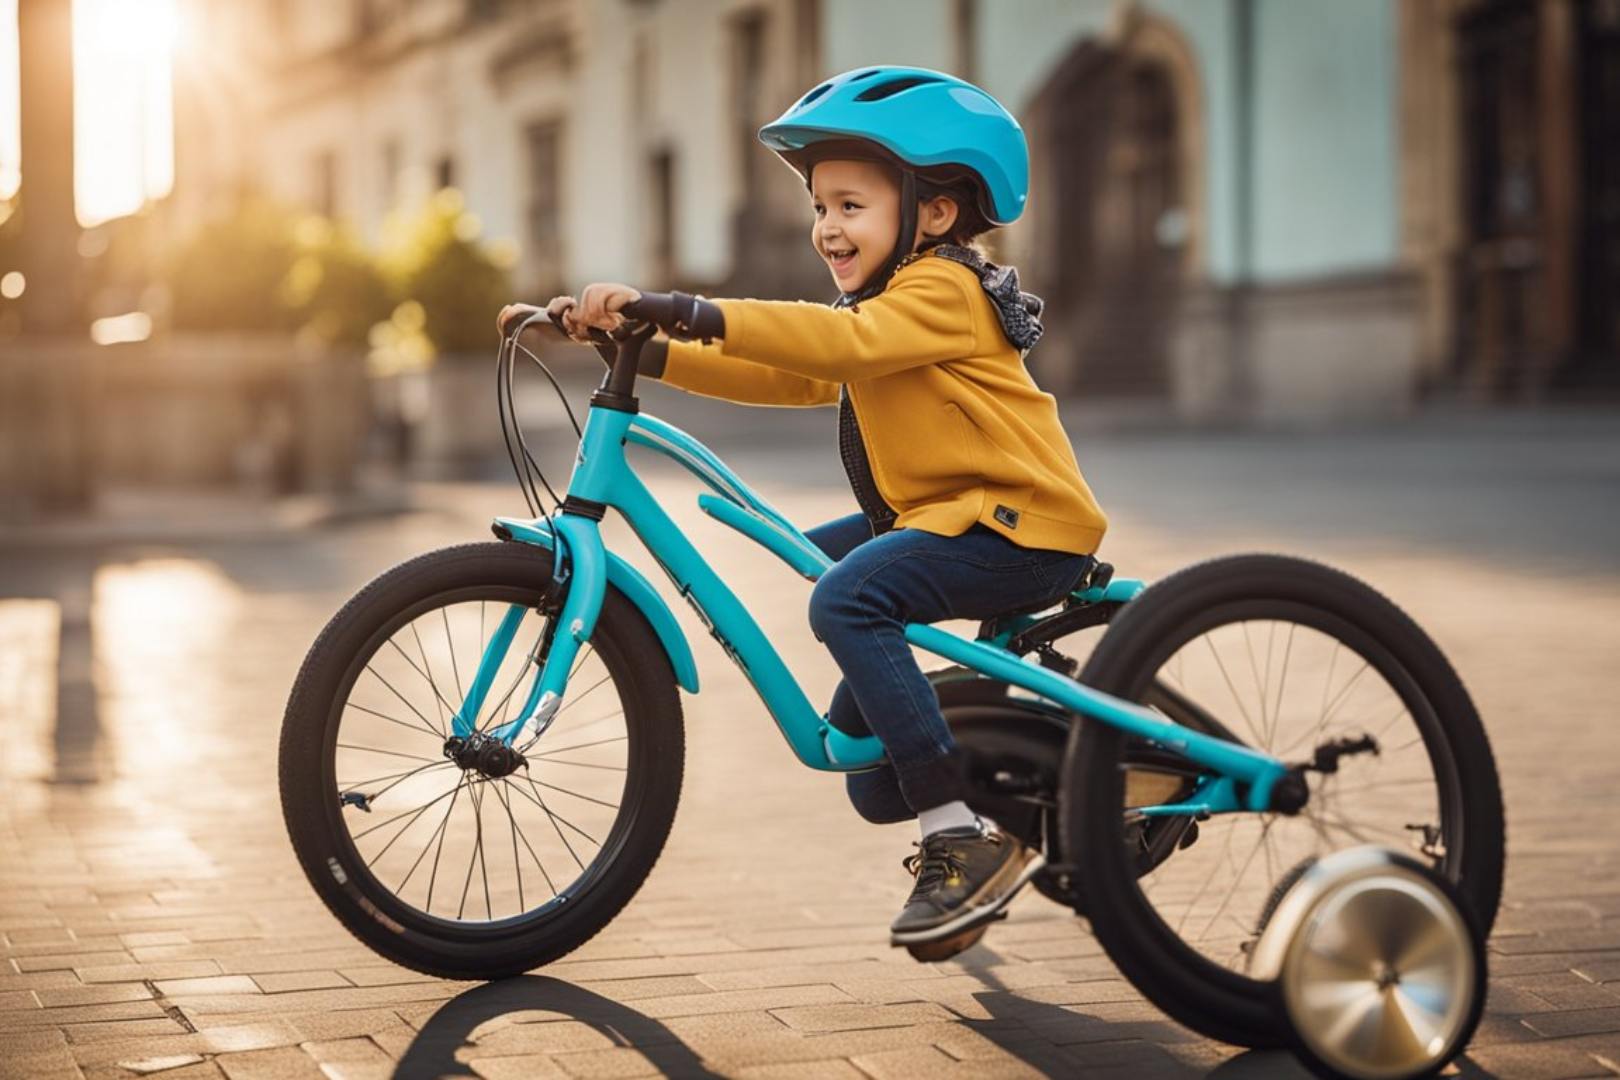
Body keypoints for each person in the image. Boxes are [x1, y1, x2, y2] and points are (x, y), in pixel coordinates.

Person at [499, 66, 1107, 956]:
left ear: (933, 213)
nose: (827, 227)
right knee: (866, 762)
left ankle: (957, 834)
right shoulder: (888, 306)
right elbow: (801, 373)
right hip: (941, 514)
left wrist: (691, 307)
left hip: (1016, 523)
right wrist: (648, 349)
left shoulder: (943, 291)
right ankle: (994, 770)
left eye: (851, 206)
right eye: (821, 207)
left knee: (846, 599)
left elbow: (840, 345)